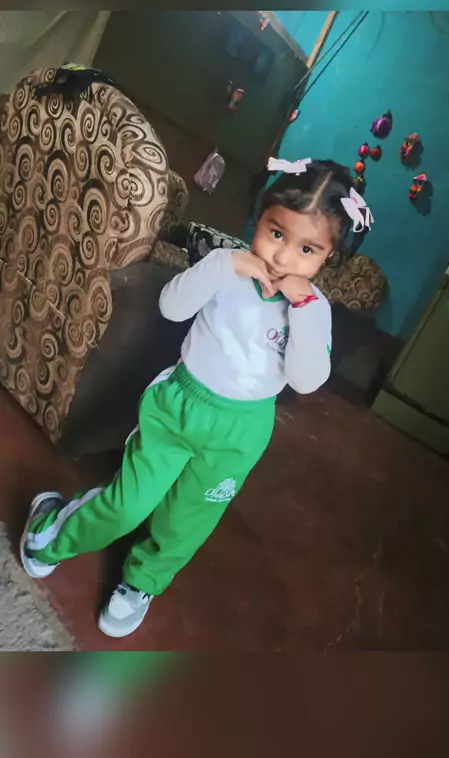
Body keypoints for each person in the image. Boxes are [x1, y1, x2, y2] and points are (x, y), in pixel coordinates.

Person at [20, 158, 373, 638]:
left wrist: (304, 307)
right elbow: (171, 306)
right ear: (260, 219)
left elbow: (306, 380)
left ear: (327, 255)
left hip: (240, 433)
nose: (282, 257)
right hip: (178, 407)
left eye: (306, 248)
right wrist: (225, 265)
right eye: (275, 233)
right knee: (128, 504)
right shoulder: (226, 268)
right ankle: (56, 531)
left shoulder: (314, 309)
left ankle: (142, 582)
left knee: (187, 520)